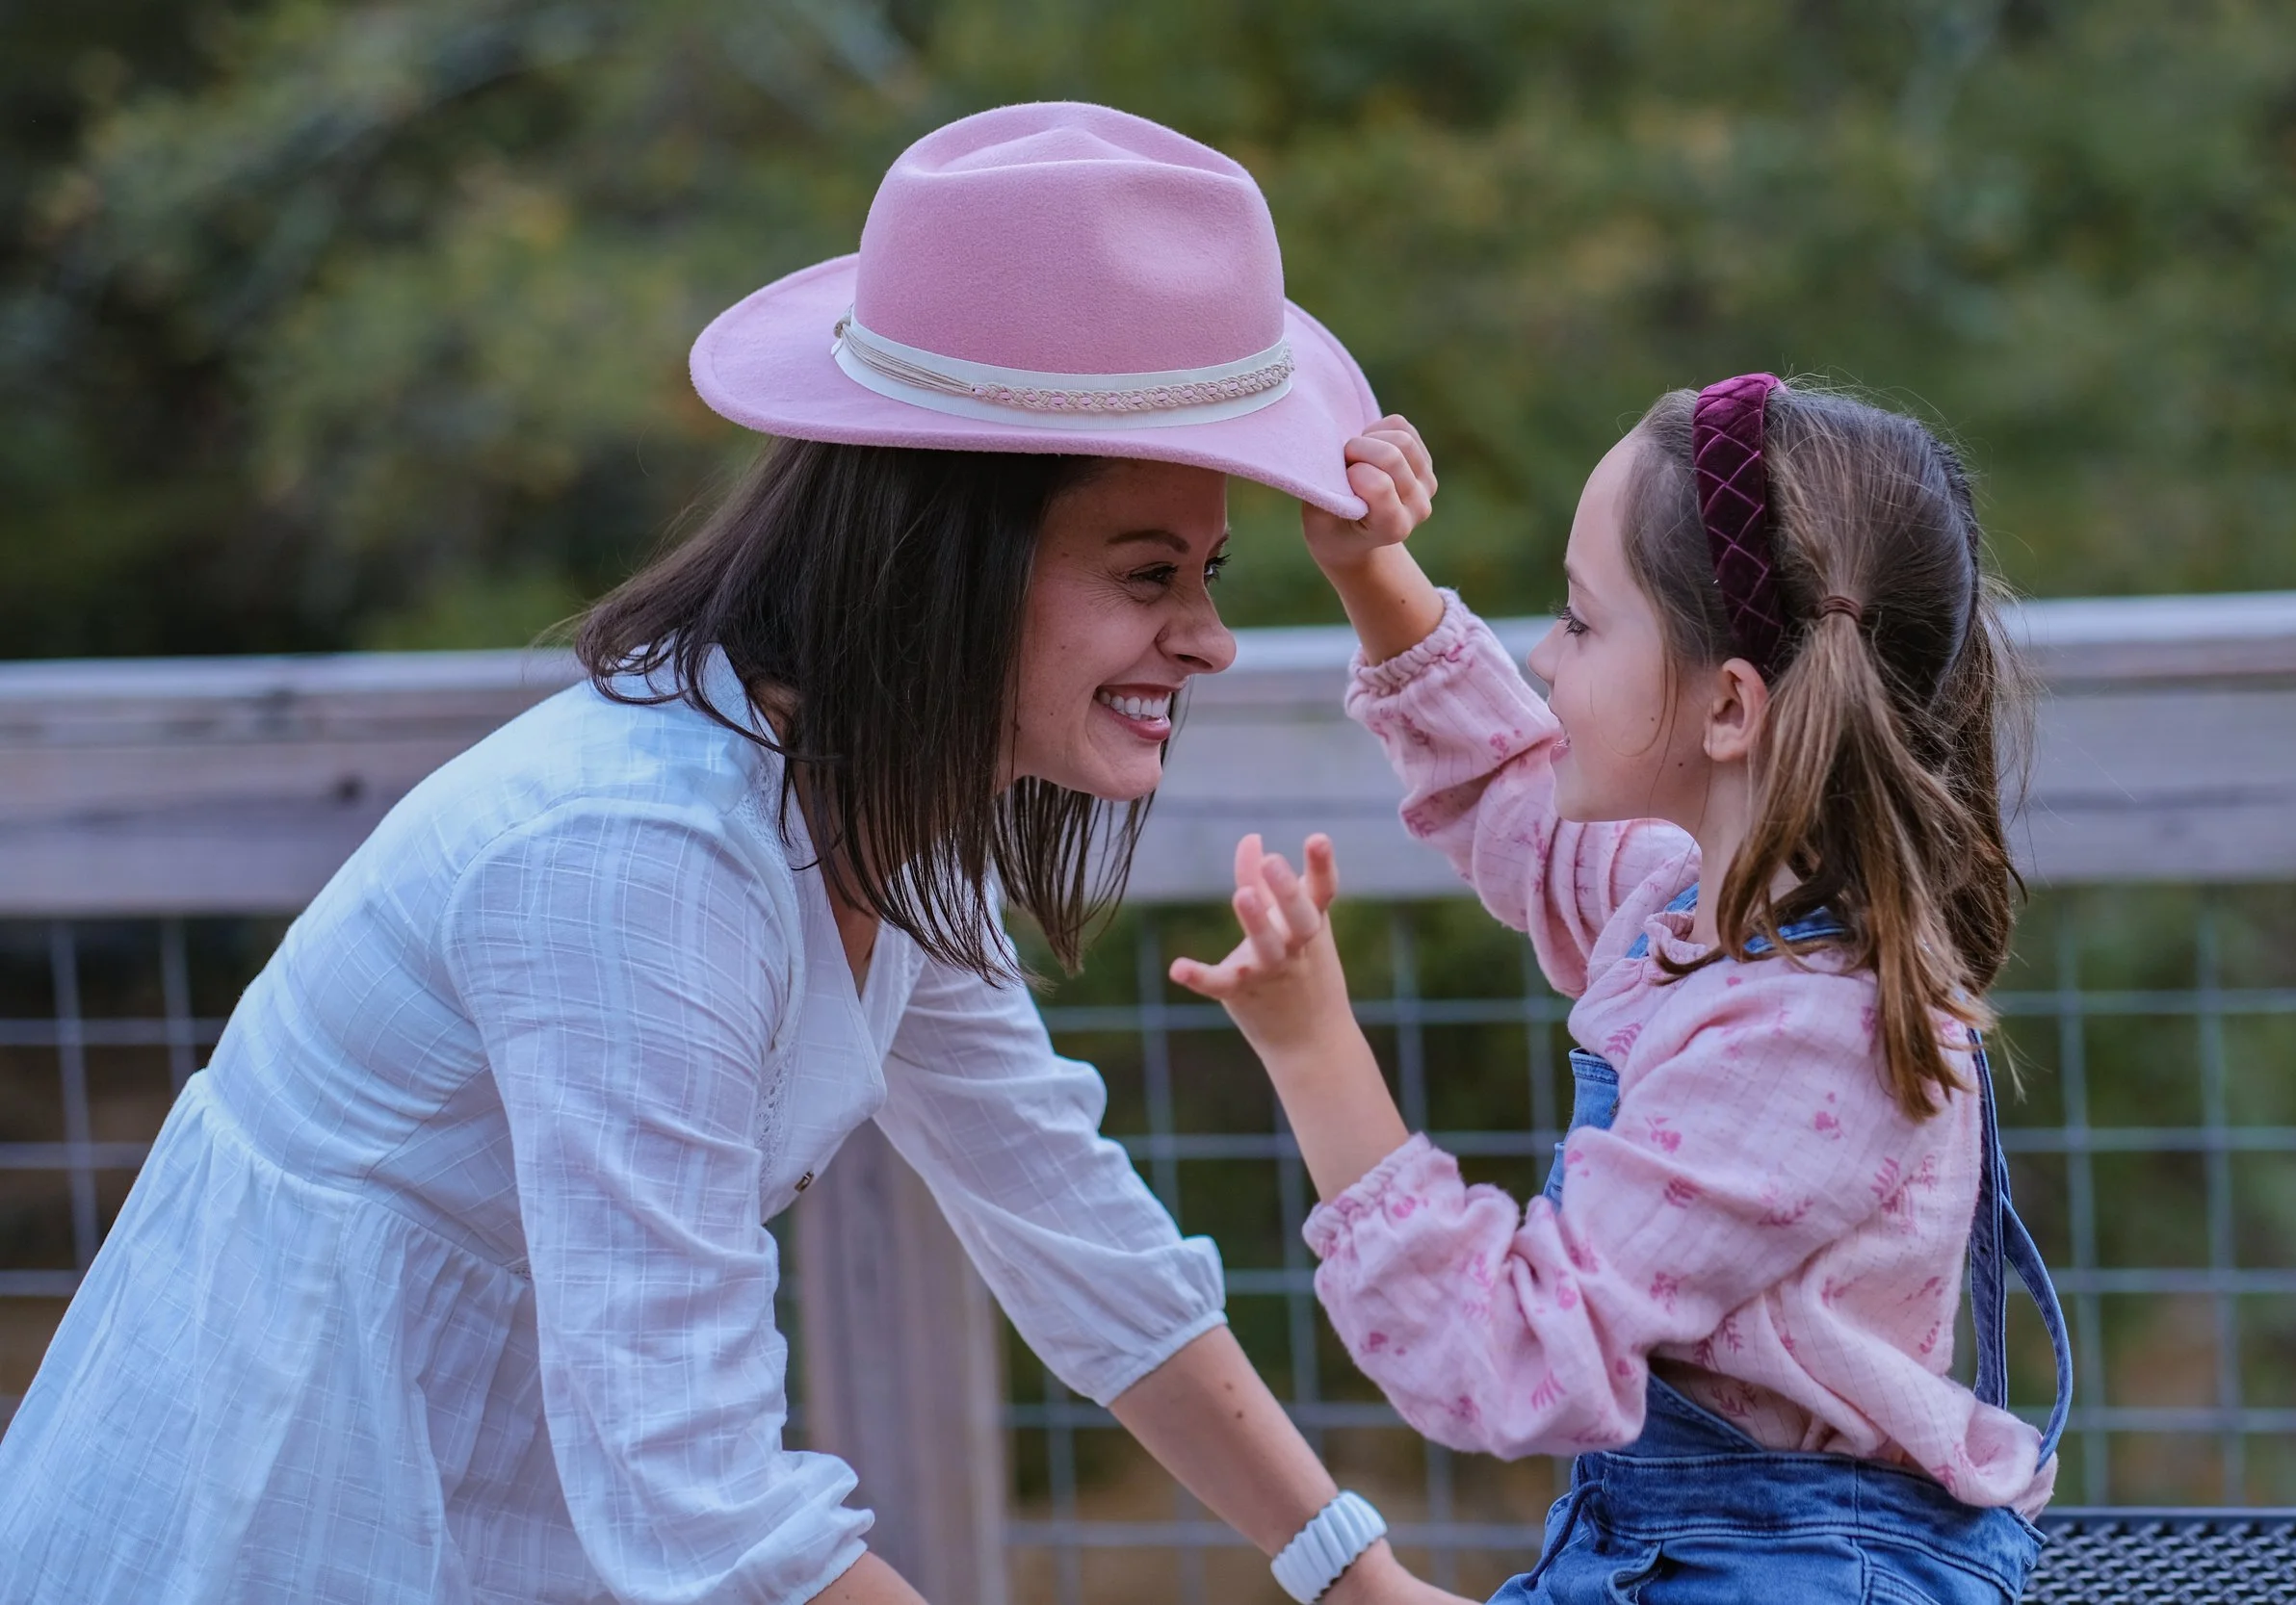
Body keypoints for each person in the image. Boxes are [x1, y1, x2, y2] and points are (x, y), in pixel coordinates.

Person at [0, 103, 1468, 1605]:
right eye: (1148, 572)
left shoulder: (892, 814)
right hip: (264, 1527)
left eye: (1209, 572)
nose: (1213, 636)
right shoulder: (633, 858)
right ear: (936, 563)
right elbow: (700, 1494)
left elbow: (1070, 1225)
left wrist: (1356, 1577)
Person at [1172, 379, 2074, 1603]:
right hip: (1686, 1545)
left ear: (1727, 705)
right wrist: (1371, 573)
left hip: (1791, 1574)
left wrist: (1311, 1044)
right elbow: (1520, 813)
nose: (1543, 654)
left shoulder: (1802, 1031)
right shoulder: (1692, 904)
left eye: (1581, 623)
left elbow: (1508, 1349)